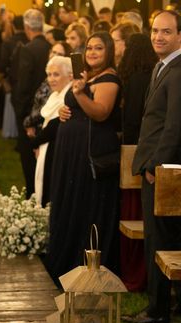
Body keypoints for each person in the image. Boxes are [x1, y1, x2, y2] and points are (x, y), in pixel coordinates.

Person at [46, 32, 122, 282]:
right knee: (70, 204)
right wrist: (64, 109)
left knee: (85, 206)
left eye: (98, 48)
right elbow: (76, 106)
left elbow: (100, 113)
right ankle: (64, 262)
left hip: (90, 155)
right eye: (89, 48)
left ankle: (83, 266)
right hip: (72, 153)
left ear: (108, 51)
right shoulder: (88, 76)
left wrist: (78, 96)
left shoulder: (109, 79)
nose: (91, 53)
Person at [125, 10, 181, 323]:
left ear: (180, 36)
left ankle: (157, 309)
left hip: (162, 170)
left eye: (166, 32)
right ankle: (168, 305)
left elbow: (174, 127)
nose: (158, 37)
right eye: (155, 31)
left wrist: (155, 165)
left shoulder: (178, 70)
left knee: (159, 239)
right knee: (162, 236)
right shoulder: (163, 67)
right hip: (155, 166)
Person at [117, 33, 157, 292]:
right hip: (144, 151)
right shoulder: (153, 74)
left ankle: (136, 271)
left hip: (136, 154)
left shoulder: (134, 80)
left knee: (135, 213)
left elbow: (132, 120)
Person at [11, 8, 51, 198]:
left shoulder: (27, 49)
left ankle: (32, 196)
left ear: (27, 27)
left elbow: (23, 85)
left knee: (29, 158)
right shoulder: (50, 46)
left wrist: (21, 114)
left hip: (30, 112)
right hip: (50, 109)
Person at [29, 55, 72, 206]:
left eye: (56, 74)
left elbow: (55, 125)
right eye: (49, 74)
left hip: (58, 149)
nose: (52, 79)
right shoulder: (55, 95)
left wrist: (35, 142)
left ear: (70, 76)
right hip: (47, 147)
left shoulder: (69, 96)